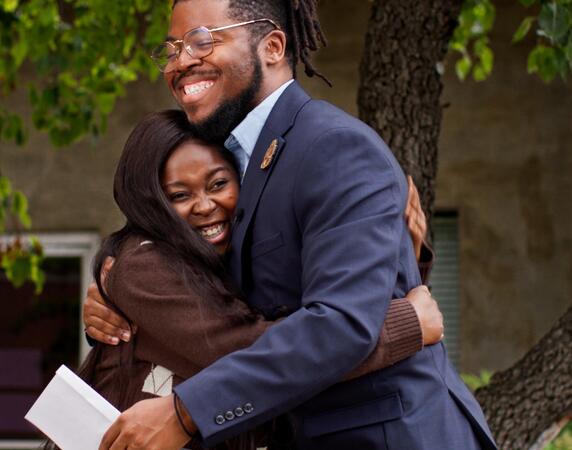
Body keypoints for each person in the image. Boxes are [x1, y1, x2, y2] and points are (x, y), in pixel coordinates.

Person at [99, 1, 497, 449]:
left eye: (201, 41)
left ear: (271, 46)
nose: (181, 61)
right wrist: (117, 287)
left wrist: (187, 412)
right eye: (171, 49)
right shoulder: (237, 161)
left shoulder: (332, 147)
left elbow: (343, 323)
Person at [76, 109, 443, 450]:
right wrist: (405, 326)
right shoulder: (144, 264)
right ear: (152, 203)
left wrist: (396, 264)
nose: (205, 206)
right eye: (180, 196)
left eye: (218, 183)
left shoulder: (230, 259)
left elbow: (304, 309)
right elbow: (257, 350)